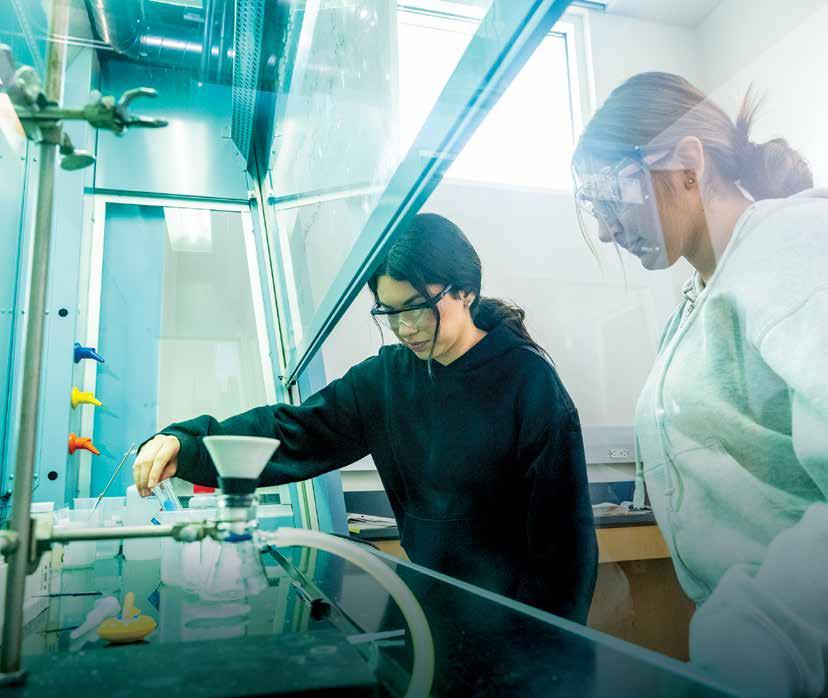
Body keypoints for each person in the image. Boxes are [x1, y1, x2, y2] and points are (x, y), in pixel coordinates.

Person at [133, 213, 598, 623]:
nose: (405, 328)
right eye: (389, 312)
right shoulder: (385, 380)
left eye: (417, 308)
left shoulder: (527, 381)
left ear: (465, 291)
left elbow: (566, 550)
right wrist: (188, 445)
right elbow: (293, 431)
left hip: (513, 622)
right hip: (426, 607)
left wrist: (544, 655)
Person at [572, 71, 827, 696]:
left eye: (612, 197)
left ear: (688, 164)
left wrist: (754, 644)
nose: (606, 230)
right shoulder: (701, 295)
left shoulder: (793, 247)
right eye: (595, 209)